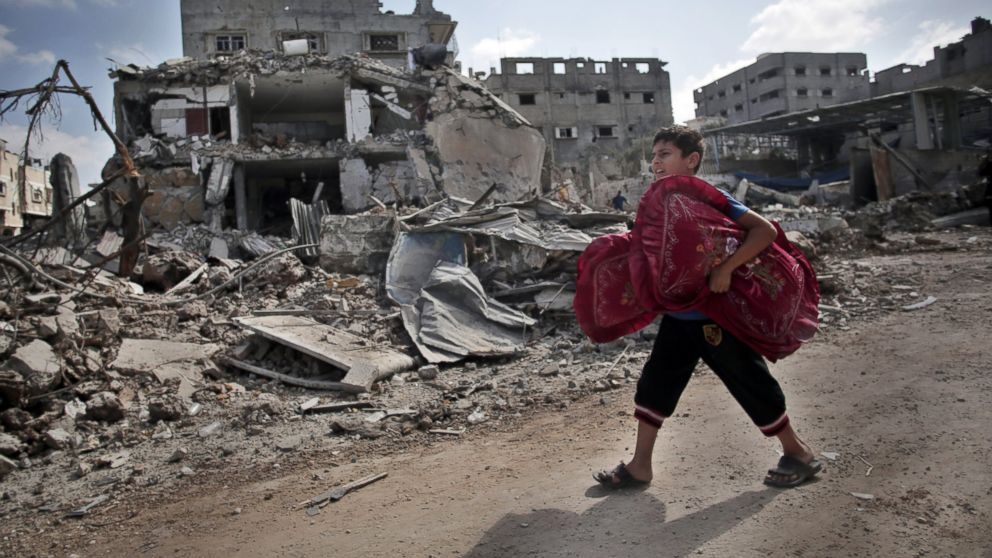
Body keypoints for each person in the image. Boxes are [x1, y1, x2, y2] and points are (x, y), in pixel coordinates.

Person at [594, 126, 821, 490]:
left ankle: (799, 453)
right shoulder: (661, 203)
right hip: (680, 316)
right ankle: (640, 467)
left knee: (749, 382)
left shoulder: (712, 197)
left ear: (691, 160)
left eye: (665, 154)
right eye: (653, 156)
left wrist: (725, 269)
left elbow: (763, 231)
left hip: (716, 316)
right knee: (656, 383)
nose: (655, 162)